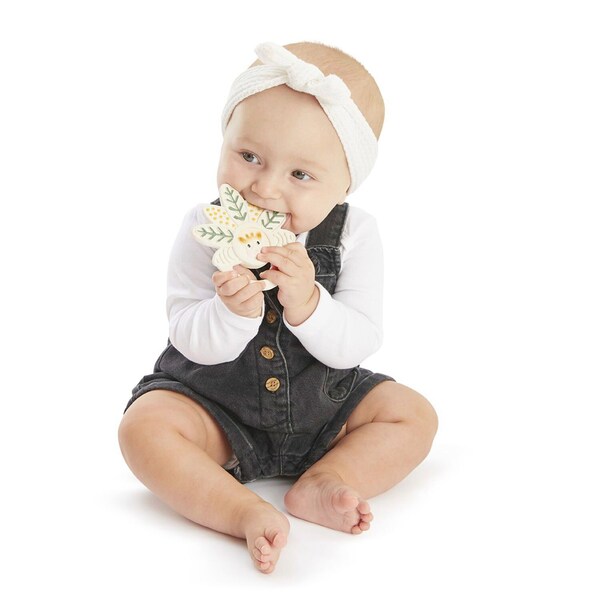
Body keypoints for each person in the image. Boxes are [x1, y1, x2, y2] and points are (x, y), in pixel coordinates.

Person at [118, 41, 438, 574]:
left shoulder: (355, 234)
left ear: (344, 185)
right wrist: (231, 313)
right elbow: (186, 334)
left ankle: (326, 479)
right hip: (215, 409)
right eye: (249, 157)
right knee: (142, 428)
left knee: (413, 414)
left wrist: (310, 304)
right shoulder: (204, 227)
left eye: (300, 175)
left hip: (324, 408)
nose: (264, 188)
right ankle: (238, 508)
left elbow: (358, 340)